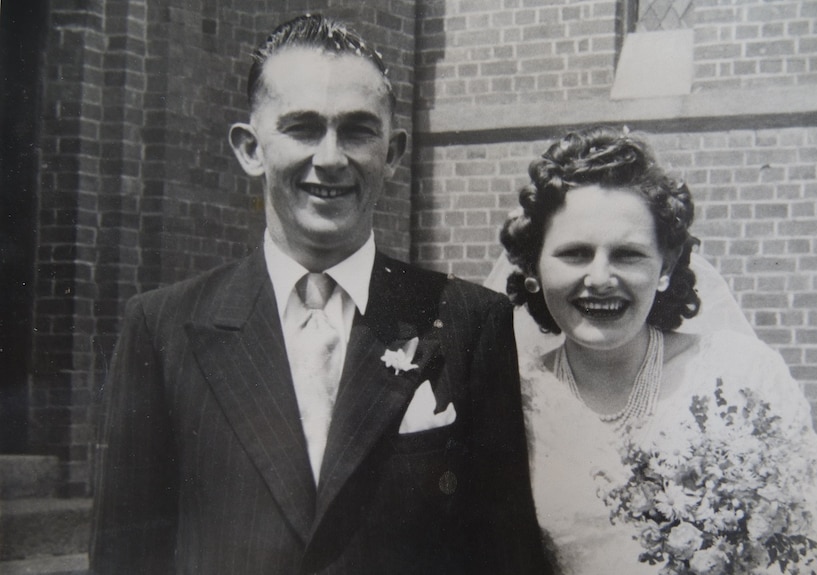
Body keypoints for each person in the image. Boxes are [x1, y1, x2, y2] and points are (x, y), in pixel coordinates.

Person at [90, 14, 550, 575]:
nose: (331, 158)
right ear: (250, 148)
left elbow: (505, 556)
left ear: (394, 152)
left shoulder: (468, 322)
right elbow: (126, 557)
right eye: (302, 127)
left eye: (357, 130)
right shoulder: (163, 328)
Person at [497, 126, 817, 574]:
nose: (600, 278)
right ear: (533, 267)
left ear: (665, 267)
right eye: (575, 253)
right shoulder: (511, 402)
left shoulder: (739, 375)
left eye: (628, 254)